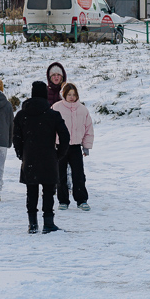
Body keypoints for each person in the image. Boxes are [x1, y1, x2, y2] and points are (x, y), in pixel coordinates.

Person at [13, 81, 70, 234]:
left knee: (31, 191)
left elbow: (16, 138)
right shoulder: (53, 115)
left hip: (29, 158)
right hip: (49, 158)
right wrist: (59, 154)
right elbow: (65, 136)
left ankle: (32, 224)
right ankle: (48, 223)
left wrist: (21, 154)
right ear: (45, 95)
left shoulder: (21, 115)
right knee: (48, 191)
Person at [52, 82, 94, 211]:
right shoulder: (56, 107)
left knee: (78, 174)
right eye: (69, 94)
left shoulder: (82, 110)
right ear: (64, 95)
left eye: (74, 95)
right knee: (61, 175)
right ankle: (63, 200)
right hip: (60, 147)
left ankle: (81, 200)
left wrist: (86, 146)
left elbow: (88, 128)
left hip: (75, 147)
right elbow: (50, 128)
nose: (71, 97)